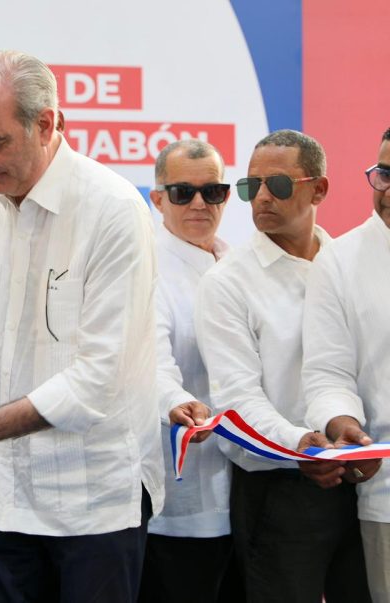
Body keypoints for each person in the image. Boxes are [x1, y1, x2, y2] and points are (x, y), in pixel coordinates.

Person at [0, 50, 164, 602]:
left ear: (45, 124)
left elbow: (98, 379)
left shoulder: (112, 210)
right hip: (5, 499)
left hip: (91, 503)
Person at [195, 130, 370, 602]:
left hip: (362, 477)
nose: (262, 197)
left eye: (278, 184)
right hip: (279, 488)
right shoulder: (227, 283)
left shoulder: (351, 265)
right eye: (251, 186)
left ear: (320, 190)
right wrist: (300, 444)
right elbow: (236, 400)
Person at [138, 140, 235, 603]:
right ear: (157, 200)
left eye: (212, 191)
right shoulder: (147, 270)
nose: (199, 203)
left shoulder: (238, 266)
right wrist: (177, 403)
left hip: (250, 493)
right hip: (179, 500)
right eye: (182, 192)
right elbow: (149, 363)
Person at [301, 126, 390, 601]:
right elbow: (327, 373)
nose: (389, 190)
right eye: (385, 174)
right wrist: (344, 425)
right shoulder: (340, 261)